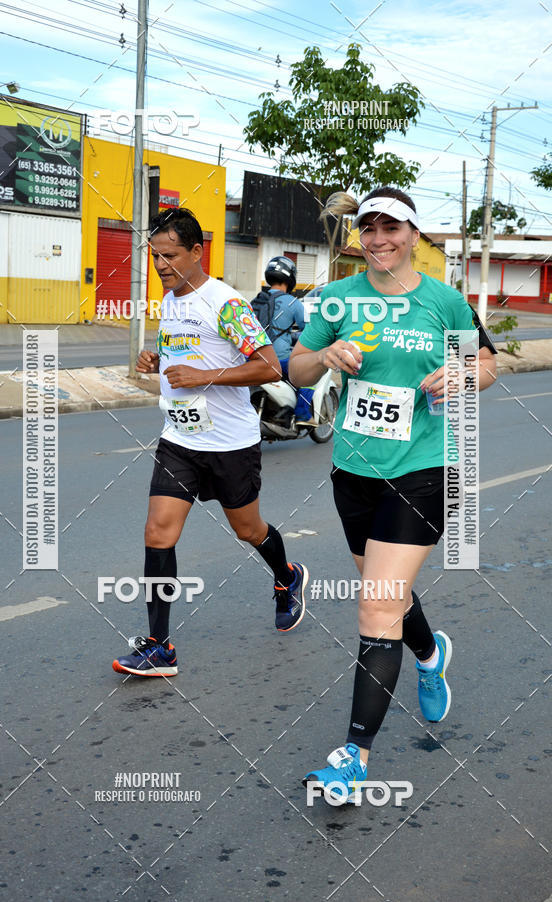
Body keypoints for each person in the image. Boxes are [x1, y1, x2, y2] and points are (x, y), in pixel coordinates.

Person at [287, 186, 497, 801]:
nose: (379, 240)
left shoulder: (444, 301)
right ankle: (430, 656)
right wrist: (324, 353)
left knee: (377, 606)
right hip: (354, 470)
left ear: (412, 234)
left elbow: (487, 364)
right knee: (387, 594)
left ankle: (353, 758)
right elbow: (294, 367)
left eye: (392, 229)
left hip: (426, 468)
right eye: (369, 229)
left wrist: (462, 372)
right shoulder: (338, 297)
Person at [112, 208, 308, 678]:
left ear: (198, 252)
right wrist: (158, 359)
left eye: (170, 256)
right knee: (158, 532)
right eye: (154, 255)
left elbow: (269, 367)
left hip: (230, 445)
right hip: (180, 438)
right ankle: (159, 646)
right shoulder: (171, 298)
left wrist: (204, 376)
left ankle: (287, 576)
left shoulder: (226, 303)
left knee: (248, 530)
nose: (160, 265)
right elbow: (190, 350)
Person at [263, 256, 315, 425]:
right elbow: (310, 333)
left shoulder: (255, 301)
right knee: (310, 376)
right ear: (290, 277)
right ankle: (302, 415)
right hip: (279, 360)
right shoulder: (293, 302)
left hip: (253, 360)